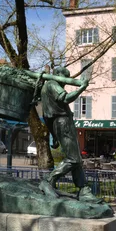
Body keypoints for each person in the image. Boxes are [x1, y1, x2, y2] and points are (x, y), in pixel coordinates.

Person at [40, 66, 99, 203]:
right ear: (58, 75)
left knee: (76, 157)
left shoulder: (46, 88)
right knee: (73, 158)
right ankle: (49, 181)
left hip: (60, 123)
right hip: (63, 122)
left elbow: (47, 116)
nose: (65, 83)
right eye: (65, 79)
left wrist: (53, 135)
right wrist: (81, 88)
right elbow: (65, 98)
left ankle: (83, 189)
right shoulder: (52, 84)